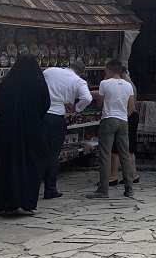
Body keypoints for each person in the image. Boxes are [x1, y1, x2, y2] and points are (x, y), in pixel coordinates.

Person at [0, 53, 50, 216]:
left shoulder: (7, 83)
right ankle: (27, 202)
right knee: (31, 164)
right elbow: (46, 104)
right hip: (32, 130)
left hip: (8, 131)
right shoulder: (38, 82)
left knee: (8, 164)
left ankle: (7, 202)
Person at [42, 60, 92, 199]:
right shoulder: (78, 81)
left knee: (38, 151)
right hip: (57, 117)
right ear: (81, 73)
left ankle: (32, 186)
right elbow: (87, 98)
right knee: (53, 155)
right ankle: (50, 189)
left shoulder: (50, 71)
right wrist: (76, 108)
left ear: (69, 66)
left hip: (41, 115)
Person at [87, 59, 136, 199]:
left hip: (108, 120)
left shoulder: (104, 83)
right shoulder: (128, 86)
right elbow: (132, 108)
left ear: (108, 70)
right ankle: (129, 188)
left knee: (105, 154)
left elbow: (100, 103)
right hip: (123, 121)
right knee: (124, 154)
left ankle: (103, 189)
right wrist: (122, 116)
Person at [109, 71, 141, 186]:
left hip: (126, 117)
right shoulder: (129, 84)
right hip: (131, 117)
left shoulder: (124, 85)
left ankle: (112, 176)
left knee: (117, 148)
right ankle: (133, 174)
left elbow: (130, 107)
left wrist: (122, 118)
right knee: (129, 148)